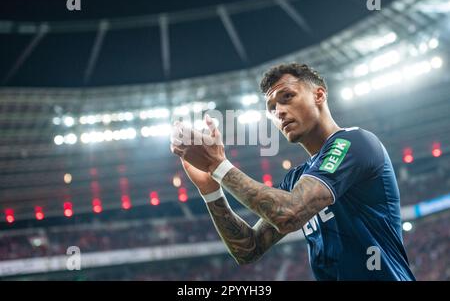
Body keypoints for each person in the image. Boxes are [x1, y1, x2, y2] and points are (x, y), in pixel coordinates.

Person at [170, 63, 415, 280]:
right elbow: (248, 249)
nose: (278, 112)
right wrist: (211, 189)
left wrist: (218, 165)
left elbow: (289, 213)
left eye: (287, 97)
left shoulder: (354, 143)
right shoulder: (297, 179)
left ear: (319, 95)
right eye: (271, 107)